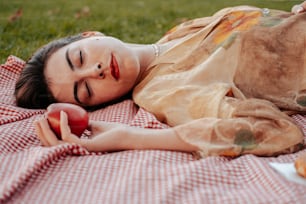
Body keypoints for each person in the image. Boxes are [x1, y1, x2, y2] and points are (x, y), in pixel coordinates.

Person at [14, 2, 306, 157]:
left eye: (79, 58)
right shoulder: (161, 90)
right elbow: (271, 131)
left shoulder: (177, 34)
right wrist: (131, 138)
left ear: (91, 34)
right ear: (98, 104)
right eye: (87, 90)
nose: (95, 71)